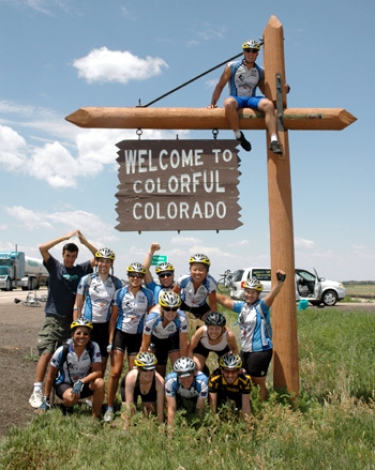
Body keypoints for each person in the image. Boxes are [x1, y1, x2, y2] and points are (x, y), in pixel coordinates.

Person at [29, 230, 97, 409]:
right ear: (63, 254)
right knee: (47, 352)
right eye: (67, 255)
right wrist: (64, 238)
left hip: (71, 321)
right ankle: (37, 390)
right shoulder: (55, 267)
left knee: (69, 357)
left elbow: (99, 257)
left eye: (73, 256)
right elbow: (42, 248)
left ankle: (76, 392)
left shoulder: (80, 270)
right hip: (53, 318)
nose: (70, 259)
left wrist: (85, 241)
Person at [208, 39, 290, 154]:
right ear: (243, 52)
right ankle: (238, 135)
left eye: (254, 51)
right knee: (228, 103)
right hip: (236, 98)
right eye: (248, 50)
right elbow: (220, 85)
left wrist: (283, 90)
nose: (251, 53)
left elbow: (266, 91)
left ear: (257, 53)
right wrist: (212, 103)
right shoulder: (232, 66)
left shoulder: (260, 71)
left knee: (269, 104)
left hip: (251, 98)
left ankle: (274, 140)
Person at [216, 270, 286, 401]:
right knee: (245, 378)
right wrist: (209, 290)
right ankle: (249, 404)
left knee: (258, 383)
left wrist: (280, 282)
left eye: (253, 292)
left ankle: (263, 407)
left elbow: (271, 296)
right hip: (245, 351)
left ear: (258, 294)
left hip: (260, 351)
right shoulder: (242, 307)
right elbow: (225, 300)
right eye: (247, 291)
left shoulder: (262, 306)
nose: (249, 295)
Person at [104, 262, 153, 423]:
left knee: (134, 373)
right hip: (120, 334)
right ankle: (110, 407)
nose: (135, 278)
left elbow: (150, 319)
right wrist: (111, 340)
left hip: (137, 336)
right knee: (115, 372)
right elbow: (113, 318)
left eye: (139, 276)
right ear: (128, 276)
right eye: (132, 275)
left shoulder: (148, 294)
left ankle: (131, 406)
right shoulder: (120, 293)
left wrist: (149, 342)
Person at [36, 318, 105, 419]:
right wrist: (45, 399)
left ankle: (95, 417)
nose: (82, 336)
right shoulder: (62, 350)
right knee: (71, 397)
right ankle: (66, 406)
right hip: (64, 384)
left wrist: (82, 381)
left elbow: (98, 371)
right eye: (78, 333)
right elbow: (50, 376)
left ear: (89, 336)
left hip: (82, 383)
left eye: (85, 334)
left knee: (100, 383)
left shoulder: (93, 347)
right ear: (73, 335)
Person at [74, 248, 123, 373]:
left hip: (104, 327)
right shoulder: (87, 280)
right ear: (97, 262)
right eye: (101, 261)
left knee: (101, 365)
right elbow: (77, 305)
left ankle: (97, 390)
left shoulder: (117, 283)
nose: (104, 264)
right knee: (84, 363)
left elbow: (117, 310)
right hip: (87, 326)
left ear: (111, 263)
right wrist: (76, 328)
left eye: (107, 261)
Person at [140, 291, 189, 377]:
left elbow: (183, 344)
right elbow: (145, 344)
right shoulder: (153, 318)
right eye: (167, 309)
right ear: (162, 308)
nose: (171, 313)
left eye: (174, 309)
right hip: (155, 339)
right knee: (156, 371)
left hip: (171, 339)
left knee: (179, 369)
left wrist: (184, 365)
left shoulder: (181, 319)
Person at [119, 352, 165, 431]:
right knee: (129, 414)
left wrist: (161, 429)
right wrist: (125, 429)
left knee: (149, 414)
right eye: (145, 370)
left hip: (150, 388)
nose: (149, 373)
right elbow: (129, 406)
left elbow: (160, 410)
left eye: (151, 369)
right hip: (132, 387)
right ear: (138, 369)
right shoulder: (130, 378)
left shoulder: (159, 381)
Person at [188, 312, 239, 376]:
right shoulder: (201, 331)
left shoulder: (229, 335)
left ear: (223, 329)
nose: (214, 332)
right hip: (202, 348)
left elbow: (234, 349)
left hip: (223, 349)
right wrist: (190, 365)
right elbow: (190, 348)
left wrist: (234, 365)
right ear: (207, 327)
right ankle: (204, 370)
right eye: (211, 328)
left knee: (228, 370)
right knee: (196, 370)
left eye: (217, 329)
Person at [173, 254, 218, 324]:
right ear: (190, 270)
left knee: (212, 322)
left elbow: (212, 304)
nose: (197, 273)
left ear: (207, 272)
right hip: (183, 304)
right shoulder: (183, 279)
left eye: (201, 270)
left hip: (200, 307)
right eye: (194, 269)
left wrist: (216, 321)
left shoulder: (211, 283)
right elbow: (173, 295)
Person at [165, 356, 208, 427]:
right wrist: (171, 433)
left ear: (194, 373)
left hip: (196, 398)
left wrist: (199, 430)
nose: (186, 381)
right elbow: (171, 408)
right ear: (177, 375)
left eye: (188, 376)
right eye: (182, 377)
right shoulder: (171, 380)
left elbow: (200, 408)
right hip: (179, 398)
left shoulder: (202, 381)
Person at [208, 352, 252, 422]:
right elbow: (212, 405)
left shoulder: (245, 379)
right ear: (221, 370)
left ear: (239, 370)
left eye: (234, 371)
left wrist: (248, 426)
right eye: (227, 371)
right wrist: (213, 423)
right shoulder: (214, 378)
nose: (230, 375)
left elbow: (246, 406)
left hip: (238, 396)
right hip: (220, 395)